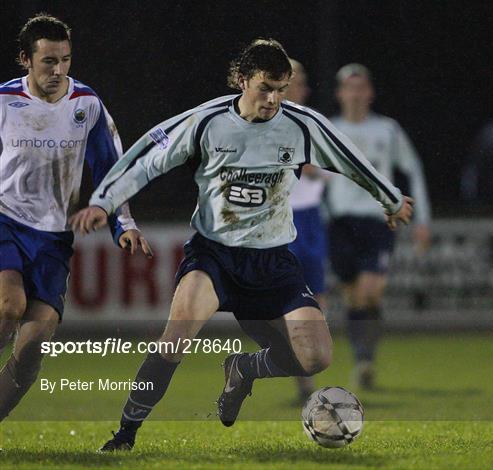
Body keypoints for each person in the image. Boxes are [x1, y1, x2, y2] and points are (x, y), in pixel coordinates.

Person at [70, 39, 413, 452]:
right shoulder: (206, 121)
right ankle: (125, 434)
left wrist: (389, 199)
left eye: (281, 89)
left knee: (315, 357)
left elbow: (347, 157)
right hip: (214, 255)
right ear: (242, 80)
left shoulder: (301, 124)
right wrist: (103, 202)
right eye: (265, 87)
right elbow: (146, 159)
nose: (273, 99)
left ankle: (243, 369)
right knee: (174, 339)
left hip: (273, 261)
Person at [0, 13, 151, 422]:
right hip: (6, 223)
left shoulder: (87, 105)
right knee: (8, 305)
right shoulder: (3, 102)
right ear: (24, 60)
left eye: (65, 59)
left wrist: (125, 225)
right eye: (48, 61)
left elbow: (110, 170)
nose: (58, 70)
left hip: (54, 238)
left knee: (32, 347)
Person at [326, 63, 431, 389]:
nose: (355, 94)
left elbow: (413, 169)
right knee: (354, 297)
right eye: (349, 88)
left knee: (371, 293)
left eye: (361, 88)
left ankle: (365, 360)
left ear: (369, 93)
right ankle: (363, 356)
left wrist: (422, 219)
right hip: (339, 223)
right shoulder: (328, 129)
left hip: (377, 221)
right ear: (339, 93)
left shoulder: (388, 130)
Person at [286, 59, 328, 403]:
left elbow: (327, 168)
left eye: (298, 80)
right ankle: (301, 374)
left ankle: (306, 367)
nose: (293, 86)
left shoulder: (312, 122)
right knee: (288, 301)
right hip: (280, 220)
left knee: (318, 300)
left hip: (311, 219)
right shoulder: (265, 120)